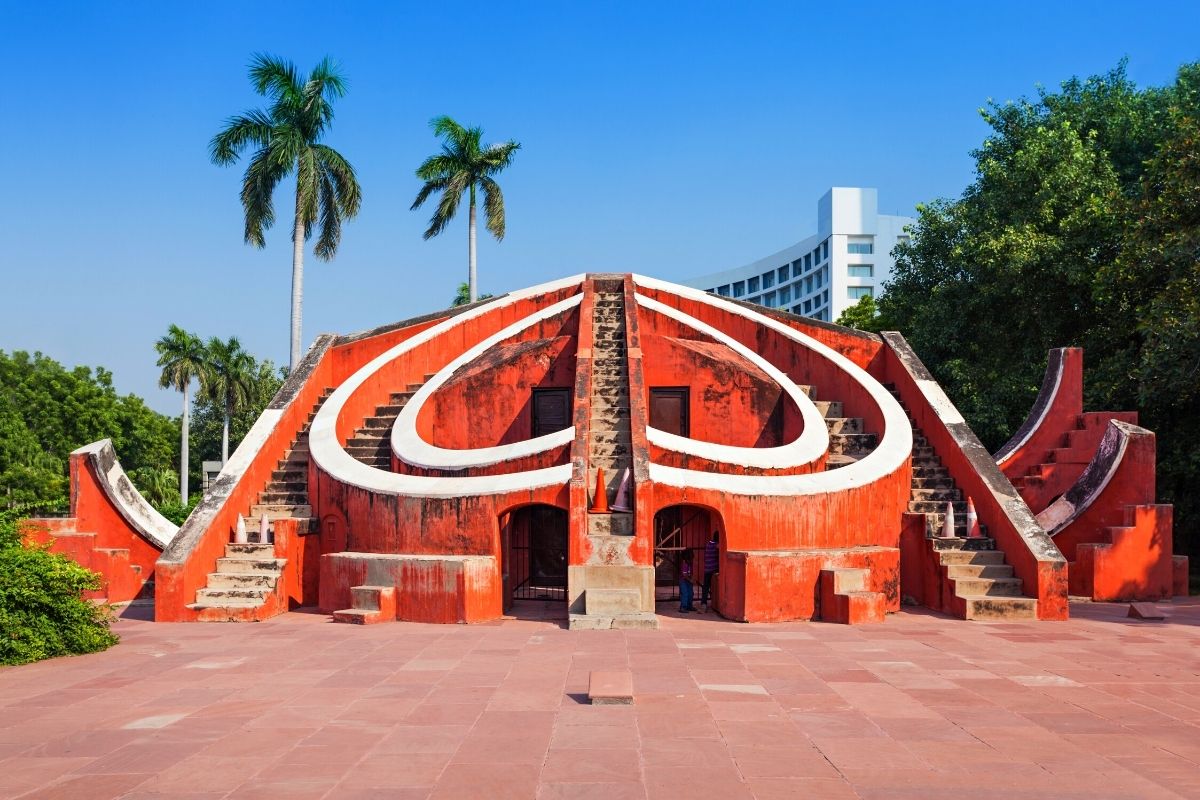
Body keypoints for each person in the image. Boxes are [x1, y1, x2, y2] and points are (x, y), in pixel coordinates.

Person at [702, 531, 719, 611]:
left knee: (705, 587)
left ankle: (703, 604)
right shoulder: (716, 545)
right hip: (713, 568)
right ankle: (715, 602)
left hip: (707, 568)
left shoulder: (708, 544)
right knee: (714, 586)